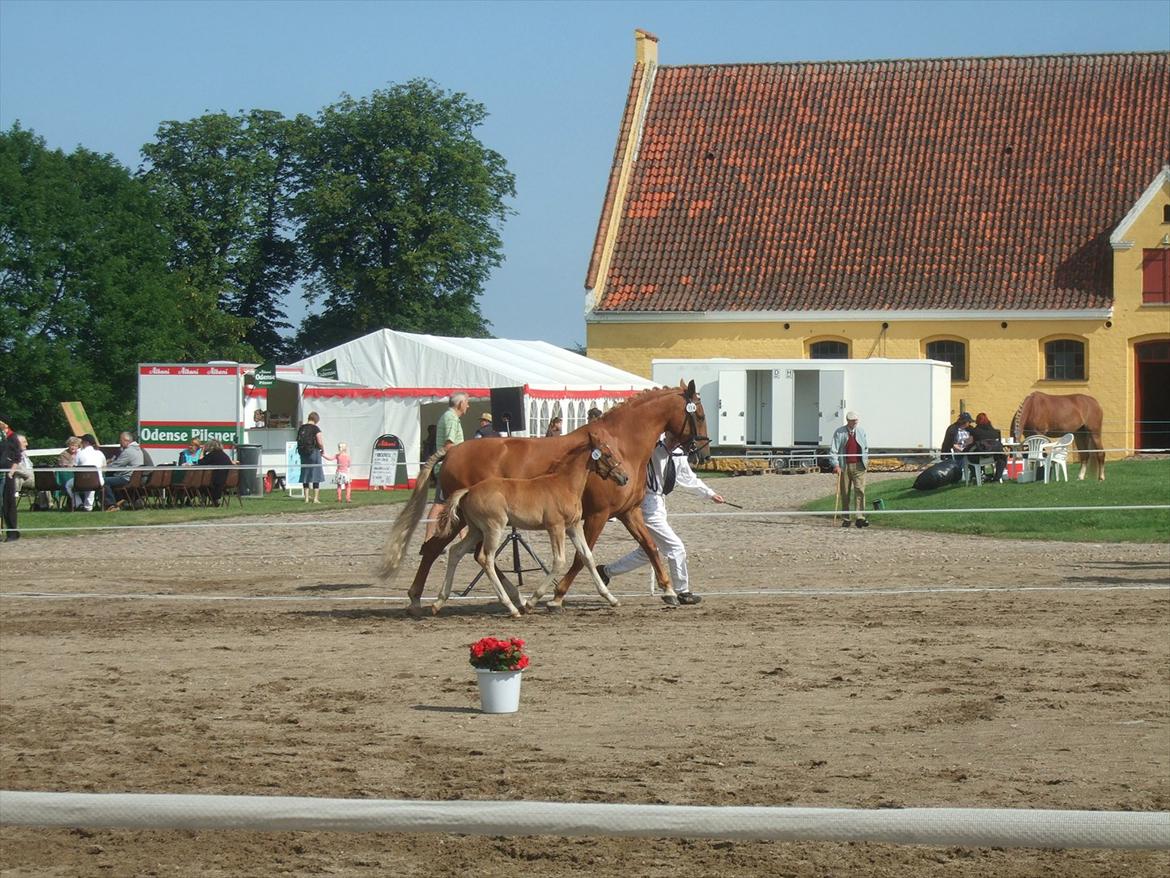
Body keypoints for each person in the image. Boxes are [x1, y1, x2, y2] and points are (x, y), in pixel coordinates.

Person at [596, 433, 725, 606]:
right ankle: (682, 591)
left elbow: (688, 478)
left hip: (659, 503)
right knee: (676, 547)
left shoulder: (678, 453)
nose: (675, 441)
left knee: (647, 552)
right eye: (672, 438)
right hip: (647, 503)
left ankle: (605, 572)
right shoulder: (653, 449)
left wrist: (710, 494)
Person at [424, 391, 470, 542]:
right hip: (448, 468)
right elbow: (449, 445)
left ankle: (464, 537)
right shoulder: (451, 418)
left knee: (457, 504)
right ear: (460, 404)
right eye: (467, 403)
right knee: (440, 504)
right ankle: (428, 539)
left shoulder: (451, 417)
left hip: (450, 467)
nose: (468, 406)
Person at [829, 411, 870, 528]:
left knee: (860, 490)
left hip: (859, 466)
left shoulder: (861, 431)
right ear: (848, 421)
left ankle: (860, 517)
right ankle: (846, 518)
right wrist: (836, 465)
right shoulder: (839, 432)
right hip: (844, 466)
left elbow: (865, 448)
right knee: (845, 493)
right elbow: (833, 450)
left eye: (857, 420)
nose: (856, 422)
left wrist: (866, 461)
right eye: (853, 420)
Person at [103, 431, 146, 510]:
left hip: (126, 478)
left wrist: (105, 466)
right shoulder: (139, 450)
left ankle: (111, 505)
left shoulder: (128, 451)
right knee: (111, 478)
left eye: (121, 440)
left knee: (104, 481)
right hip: (134, 478)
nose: (120, 443)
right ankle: (120, 500)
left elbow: (116, 465)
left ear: (126, 440)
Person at [66, 433, 106, 511]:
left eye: (82, 442)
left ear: (86, 443)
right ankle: (88, 507)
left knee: (68, 485)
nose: (81, 444)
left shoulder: (80, 453)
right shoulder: (100, 453)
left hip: (83, 480)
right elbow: (104, 466)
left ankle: (78, 503)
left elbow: (75, 467)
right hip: (98, 481)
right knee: (90, 484)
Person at [296, 412, 326, 503]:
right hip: (314, 452)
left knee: (305, 474)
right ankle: (315, 498)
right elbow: (320, 442)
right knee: (316, 474)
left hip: (303, 453)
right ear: (316, 420)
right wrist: (322, 449)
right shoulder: (315, 428)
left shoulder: (302, 428)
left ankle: (306, 498)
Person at [0, 418, 22, 541]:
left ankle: (12, 532)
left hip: (7, 473)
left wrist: (12, 471)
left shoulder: (12, 437)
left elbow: (17, 457)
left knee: (8, 502)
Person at [970, 412, 1008, 482]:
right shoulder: (995, 432)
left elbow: (971, 444)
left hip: (980, 458)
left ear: (977, 421)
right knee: (1002, 457)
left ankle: (976, 476)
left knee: (968, 456)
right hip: (993, 457)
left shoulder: (975, 431)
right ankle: (997, 478)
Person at [198, 439, 234, 506]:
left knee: (199, 483)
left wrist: (202, 451)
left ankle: (202, 500)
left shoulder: (213, 454)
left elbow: (200, 463)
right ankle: (215, 500)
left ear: (210, 446)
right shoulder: (225, 455)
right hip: (224, 481)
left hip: (214, 481)